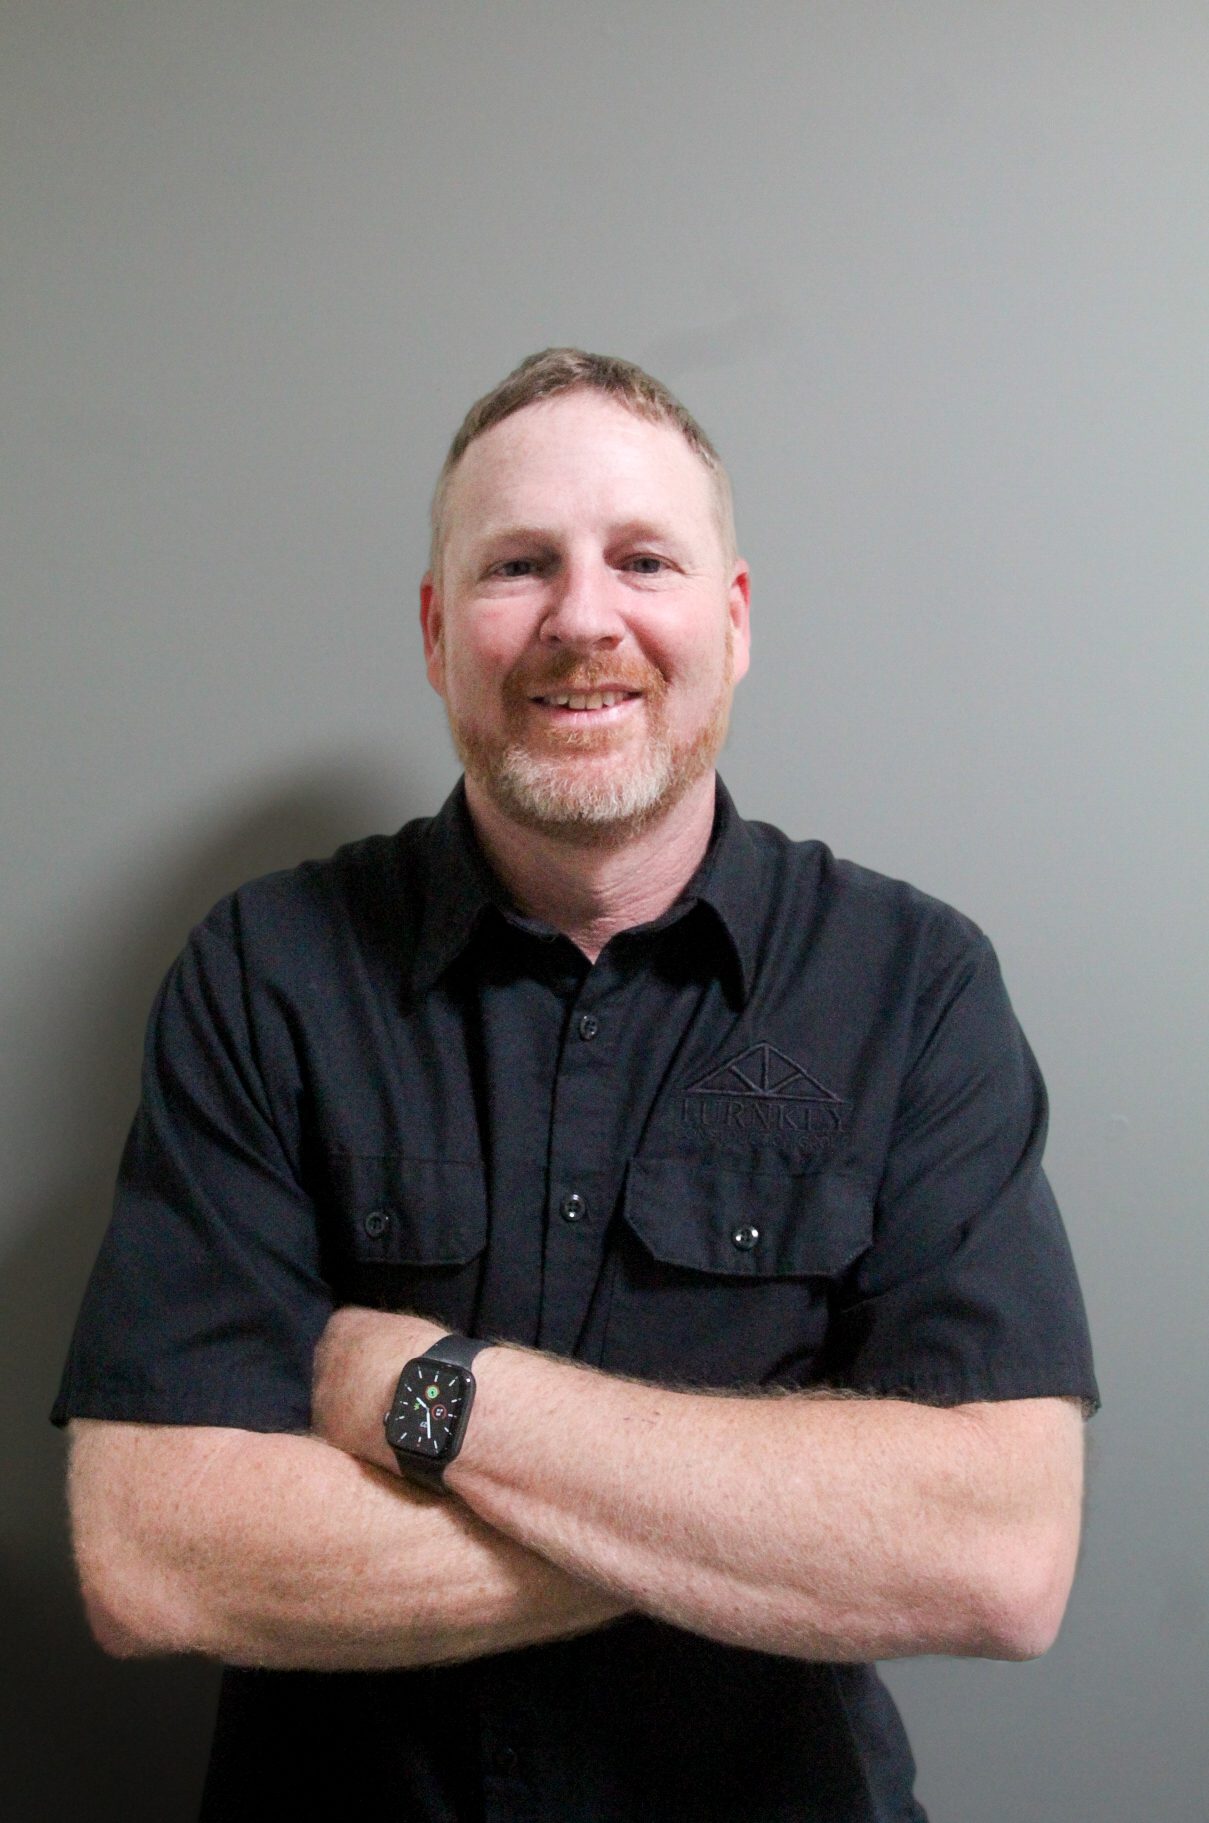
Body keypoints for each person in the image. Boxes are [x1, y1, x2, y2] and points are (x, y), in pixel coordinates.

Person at [56, 348, 1098, 1822]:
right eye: (517, 566)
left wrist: (432, 1395)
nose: (582, 619)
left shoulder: (912, 986)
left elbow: (992, 1554)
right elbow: (157, 1553)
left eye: (644, 560)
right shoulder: (265, 971)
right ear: (436, 633)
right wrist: (768, 1526)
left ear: (731, 624)